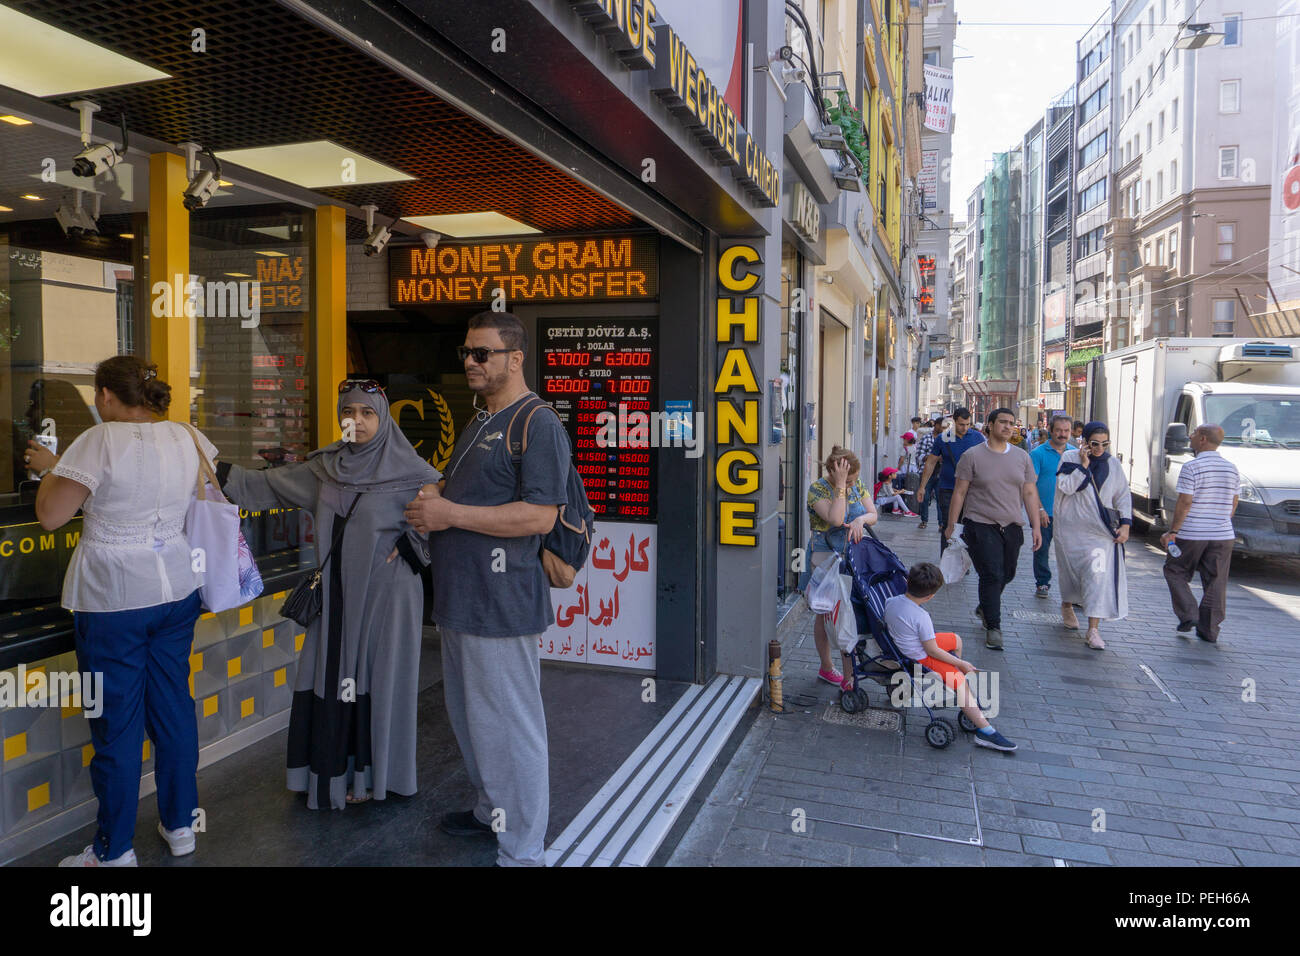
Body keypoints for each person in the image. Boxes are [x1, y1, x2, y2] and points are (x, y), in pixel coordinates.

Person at [215, 380, 438, 810]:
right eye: (348, 412)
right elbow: (262, 488)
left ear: (384, 417)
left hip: (386, 600)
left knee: (379, 679)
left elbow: (442, 522)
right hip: (335, 600)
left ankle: (376, 778)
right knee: (330, 677)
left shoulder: (412, 472)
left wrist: (412, 547)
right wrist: (202, 460)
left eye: (367, 413)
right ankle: (332, 772)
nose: (356, 420)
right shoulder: (323, 470)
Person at [26, 356, 212, 866]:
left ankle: (113, 852)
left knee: (117, 725)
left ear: (107, 395)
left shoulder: (97, 440)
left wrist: (51, 469)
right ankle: (181, 827)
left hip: (113, 600)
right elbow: (198, 497)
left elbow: (50, 516)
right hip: (177, 590)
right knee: (174, 709)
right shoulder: (185, 436)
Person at [404, 311, 569, 867]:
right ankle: (490, 812)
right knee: (472, 719)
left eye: (483, 353)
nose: (471, 362)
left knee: (511, 725)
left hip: (501, 602)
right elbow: (469, 491)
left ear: (515, 358)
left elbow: (540, 517)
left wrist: (449, 511)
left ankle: (524, 850)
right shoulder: (479, 421)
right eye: (467, 352)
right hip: (459, 599)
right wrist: (437, 494)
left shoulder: (538, 422)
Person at [881, 563, 1017, 752]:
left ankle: (958, 688)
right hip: (920, 655)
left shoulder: (892, 601)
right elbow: (932, 651)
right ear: (930, 596)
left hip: (910, 643)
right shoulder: (921, 616)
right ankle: (985, 731)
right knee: (959, 678)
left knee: (956, 640)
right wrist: (960, 663)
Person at [944, 407, 1043, 650]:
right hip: (980, 524)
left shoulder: (1022, 457)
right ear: (989, 425)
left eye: (1011, 423)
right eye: (1002, 422)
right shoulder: (972, 455)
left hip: (1012, 526)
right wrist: (951, 526)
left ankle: (986, 607)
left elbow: (1029, 492)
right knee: (992, 574)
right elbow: (960, 491)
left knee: (1007, 573)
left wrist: (1036, 526)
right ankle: (994, 627)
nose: (1008, 427)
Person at [1052, 422, 1133, 650]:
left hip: (1099, 533)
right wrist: (1084, 465)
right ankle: (1067, 604)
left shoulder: (1113, 464)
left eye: (1104, 444)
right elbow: (1066, 487)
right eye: (1094, 443)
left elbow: (1122, 496)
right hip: (1071, 530)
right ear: (1085, 441)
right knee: (1071, 571)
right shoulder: (1069, 457)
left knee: (1098, 576)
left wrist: (1125, 525)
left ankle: (1093, 629)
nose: (1099, 449)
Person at [806, 446, 878, 689]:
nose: (851, 484)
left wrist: (860, 519)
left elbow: (873, 514)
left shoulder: (858, 484)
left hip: (855, 557)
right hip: (827, 558)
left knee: (851, 613)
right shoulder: (817, 489)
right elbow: (836, 519)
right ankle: (827, 667)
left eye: (853, 479)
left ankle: (849, 676)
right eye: (848, 479)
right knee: (827, 613)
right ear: (834, 473)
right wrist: (839, 486)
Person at [1160, 424, 1240, 643]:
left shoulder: (1192, 467)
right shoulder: (1231, 468)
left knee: (1175, 570)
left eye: (1194, 433)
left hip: (1192, 533)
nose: (1190, 436)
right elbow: (1233, 503)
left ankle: (1189, 614)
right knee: (1216, 581)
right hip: (1223, 535)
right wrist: (1219, 521)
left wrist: (1173, 531)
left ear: (1203, 439)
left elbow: (1185, 502)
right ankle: (1210, 630)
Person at [917, 406, 985, 554]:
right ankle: (947, 559)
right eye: (961, 424)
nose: (965, 428)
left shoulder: (977, 437)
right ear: (954, 421)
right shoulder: (943, 438)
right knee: (949, 524)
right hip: (947, 488)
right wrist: (922, 486)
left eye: (968, 424)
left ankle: (963, 560)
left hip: (971, 490)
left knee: (968, 525)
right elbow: (931, 462)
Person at [1028, 415, 1076, 598]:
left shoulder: (1074, 454)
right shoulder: (1038, 454)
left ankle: (1074, 589)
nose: (1063, 435)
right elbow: (1030, 485)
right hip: (1045, 512)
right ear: (1050, 430)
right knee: (1041, 549)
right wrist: (1039, 509)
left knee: (1072, 553)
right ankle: (1042, 583)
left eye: (1066, 431)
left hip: (1070, 514)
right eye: (1059, 430)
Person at [915, 418, 943, 530]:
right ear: (935, 425)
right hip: (926, 472)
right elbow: (919, 455)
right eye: (941, 426)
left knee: (941, 499)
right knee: (925, 498)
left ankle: (941, 523)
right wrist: (932, 458)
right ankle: (924, 520)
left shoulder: (946, 439)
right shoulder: (926, 438)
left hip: (941, 473)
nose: (942, 428)